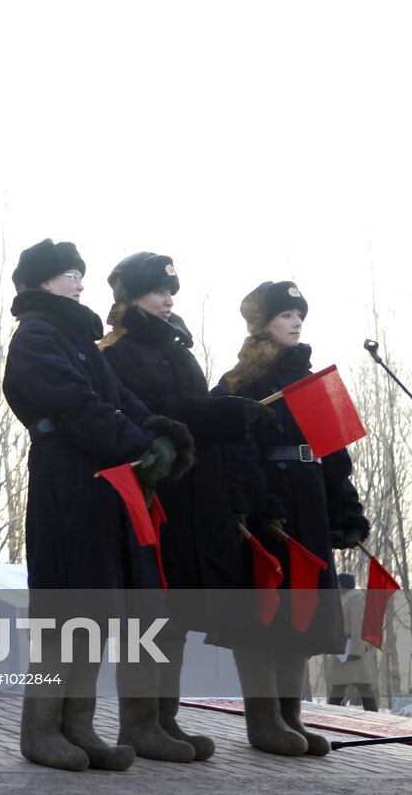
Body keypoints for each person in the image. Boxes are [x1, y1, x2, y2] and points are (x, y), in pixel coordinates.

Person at [3, 239, 194, 772]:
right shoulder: (37, 336)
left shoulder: (77, 338)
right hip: (65, 480)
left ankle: (79, 728)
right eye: (70, 274)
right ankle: (40, 731)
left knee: (91, 609)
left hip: (96, 483)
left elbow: (120, 399)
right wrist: (138, 444)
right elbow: (74, 405)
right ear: (43, 283)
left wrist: (160, 433)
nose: (80, 283)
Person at [99, 252, 270, 762]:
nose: (168, 297)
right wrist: (220, 414)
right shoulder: (118, 352)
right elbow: (145, 415)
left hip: (193, 493)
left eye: (170, 290)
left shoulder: (177, 350)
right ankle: (139, 723)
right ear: (129, 297)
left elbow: (187, 412)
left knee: (174, 611)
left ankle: (164, 719)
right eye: (156, 290)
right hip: (153, 495)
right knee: (149, 612)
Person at [214, 281, 370, 757]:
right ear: (262, 325)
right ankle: (264, 721)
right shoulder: (238, 382)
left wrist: (346, 511)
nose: (296, 321)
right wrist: (256, 504)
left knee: (302, 610)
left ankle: (290, 716)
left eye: (299, 313)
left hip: (309, 501)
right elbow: (230, 454)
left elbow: (335, 456)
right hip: (266, 507)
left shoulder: (317, 381)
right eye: (284, 314)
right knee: (267, 610)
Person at [325, 573, 379, 710]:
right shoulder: (343, 598)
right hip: (343, 648)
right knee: (338, 687)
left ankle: (374, 719)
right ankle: (330, 718)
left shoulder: (355, 599)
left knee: (364, 688)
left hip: (353, 649)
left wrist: (356, 651)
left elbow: (358, 626)